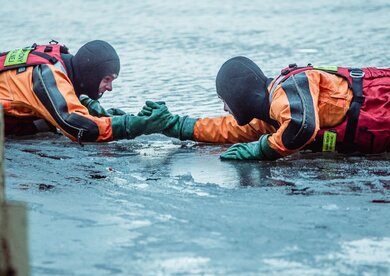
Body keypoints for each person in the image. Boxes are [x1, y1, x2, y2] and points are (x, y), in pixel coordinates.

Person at [136, 56, 390, 160]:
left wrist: (261, 149)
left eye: (225, 100)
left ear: (239, 95)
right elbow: (225, 130)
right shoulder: (272, 117)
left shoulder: (290, 88)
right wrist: (175, 124)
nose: (225, 109)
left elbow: (302, 127)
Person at [0, 40, 172, 143]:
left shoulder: (60, 66)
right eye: (107, 79)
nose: (110, 88)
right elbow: (78, 126)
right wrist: (132, 126)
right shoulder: (48, 74)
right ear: (91, 74)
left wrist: (115, 117)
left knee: (47, 125)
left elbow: (73, 106)